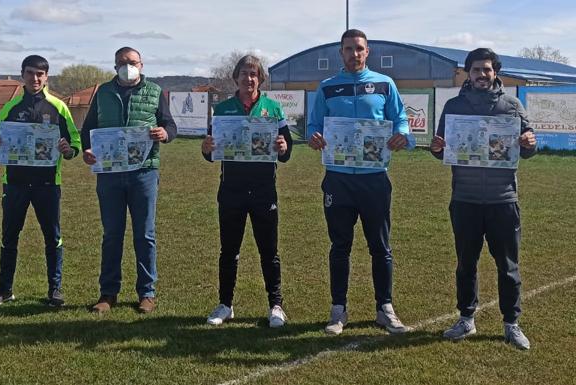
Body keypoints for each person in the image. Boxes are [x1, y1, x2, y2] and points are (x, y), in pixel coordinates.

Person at [307, 29, 415, 335]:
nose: (354, 54)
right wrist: (313, 137)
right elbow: (313, 124)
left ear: (367, 52)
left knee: (380, 247)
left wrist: (403, 136)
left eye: (359, 49)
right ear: (340, 53)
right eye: (348, 49)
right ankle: (338, 310)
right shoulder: (327, 87)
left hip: (374, 180)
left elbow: (401, 120)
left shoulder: (385, 84)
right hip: (338, 180)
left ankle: (385, 308)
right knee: (340, 246)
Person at [430, 48, 537, 350]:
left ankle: (511, 324)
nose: (481, 75)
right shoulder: (453, 106)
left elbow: (529, 147)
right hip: (464, 199)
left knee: (508, 266)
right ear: (468, 73)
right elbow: (441, 149)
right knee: (466, 263)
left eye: (487, 69)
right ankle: (466, 319)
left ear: (495, 72)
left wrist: (529, 142)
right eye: (476, 70)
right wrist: (437, 148)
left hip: (503, 199)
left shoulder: (512, 105)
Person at [81, 47, 176, 314]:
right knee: (112, 235)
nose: (127, 67)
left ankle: (147, 293)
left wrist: (164, 133)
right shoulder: (103, 93)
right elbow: (88, 129)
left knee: (145, 235)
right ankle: (108, 293)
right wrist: (88, 150)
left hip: (144, 172)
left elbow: (171, 126)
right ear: (114, 67)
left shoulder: (155, 92)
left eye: (132, 62)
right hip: (109, 174)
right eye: (122, 63)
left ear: (141, 65)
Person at [201, 55, 293, 328]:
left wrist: (284, 148)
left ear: (260, 79)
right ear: (236, 77)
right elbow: (211, 150)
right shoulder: (223, 110)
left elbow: (286, 149)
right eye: (243, 73)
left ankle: (276, 305)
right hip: (231, 189)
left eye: (253, 74)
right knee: (229, 250)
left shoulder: (273, 109)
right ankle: (225, 305)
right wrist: (206, 149)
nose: (248, 78)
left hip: (264, 190)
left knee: (269, 251)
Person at [0, 55, 81, 307]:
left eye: (40, 74)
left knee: (53, 237)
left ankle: (55, 290)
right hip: (15, 183)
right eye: (30, 73)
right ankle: (4, 289)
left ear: (46, 77)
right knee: (9, 236)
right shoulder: (10, 107)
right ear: (22, 75)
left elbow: (75, 143)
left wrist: (67, 149)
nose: (35, 78)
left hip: (48, 184)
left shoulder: (59, 107)